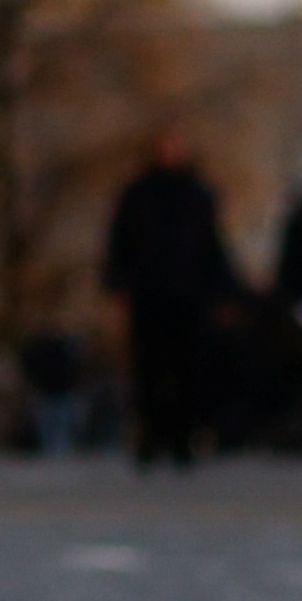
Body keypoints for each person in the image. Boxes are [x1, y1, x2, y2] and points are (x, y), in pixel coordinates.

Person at [100, 131, 237, 472]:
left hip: (188, 297)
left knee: (187, 371)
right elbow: (120, 242)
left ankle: (181, 440)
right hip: (149, 295)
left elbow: (213, 247)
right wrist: (119, 282)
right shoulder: (137, 194)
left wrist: (223, 292)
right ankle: (150, 438)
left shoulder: (198, 195)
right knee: (149, 371)